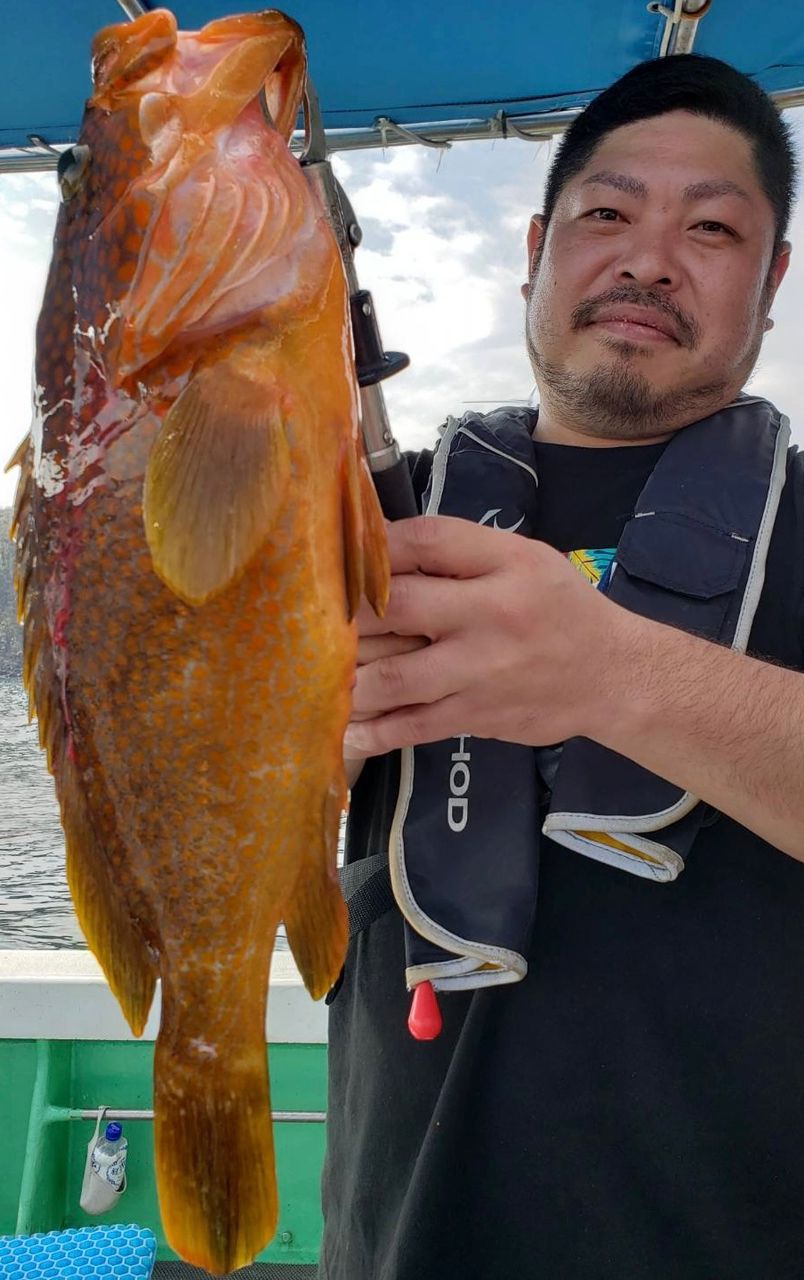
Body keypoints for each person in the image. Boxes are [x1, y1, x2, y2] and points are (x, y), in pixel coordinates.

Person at [319, 53, 804, 1280]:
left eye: (711, 227)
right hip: (397, 1237)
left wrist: (612, 673)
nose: (648, 259)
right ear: (534, 246)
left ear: (774, 281)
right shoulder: (365, 517)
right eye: (607, 212)